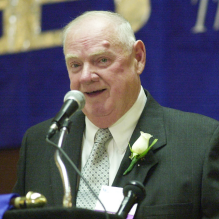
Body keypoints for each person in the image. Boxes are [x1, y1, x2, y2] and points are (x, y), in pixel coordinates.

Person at [13, 11, 219, 218]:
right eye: (75, 65)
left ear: (138, 58)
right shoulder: (42, 143)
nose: (86, 77)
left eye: (102, 60)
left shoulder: (199, 142)